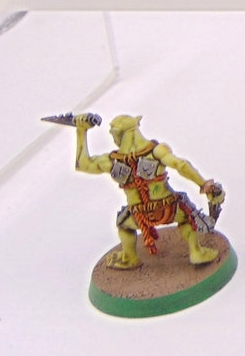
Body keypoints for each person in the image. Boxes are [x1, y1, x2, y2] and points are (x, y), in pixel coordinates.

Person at [72, 113, 224, 268]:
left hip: (139, 216)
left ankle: (130, 257)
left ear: (118, 134)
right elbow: (181, 165)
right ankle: (196, 251)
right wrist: (204, 184)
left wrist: (81, 130)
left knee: (124, 226)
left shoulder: (111, 161)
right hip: (169, 209)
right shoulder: (157, 151)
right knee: (187, 218)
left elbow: (83, 165)